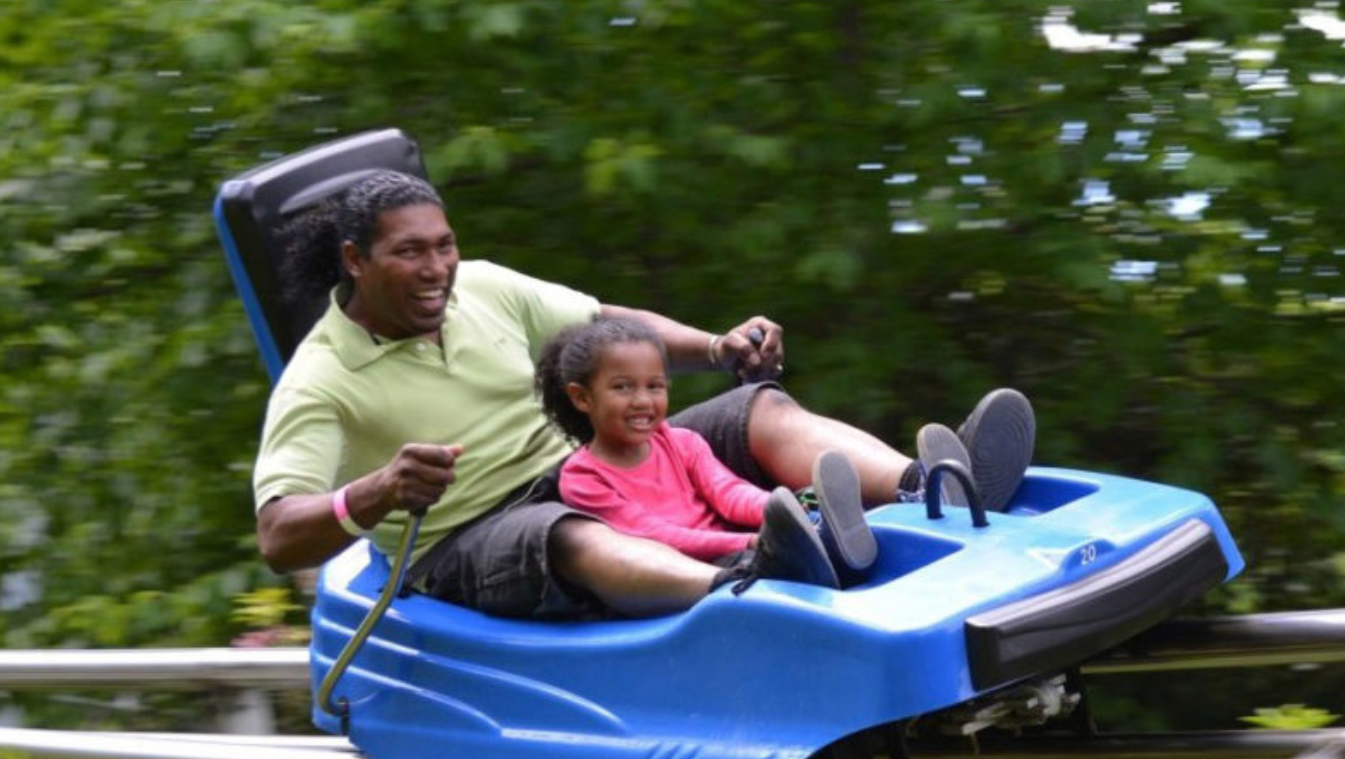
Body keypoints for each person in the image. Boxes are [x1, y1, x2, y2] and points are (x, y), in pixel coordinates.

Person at [251, 169, 1035, 618]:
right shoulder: (320, 379)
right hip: (473, 535)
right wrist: (379, 488)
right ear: (355, 260)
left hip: (590, 461)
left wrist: (717, 348)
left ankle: (928, 484)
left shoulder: (484, 288)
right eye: (409, 253)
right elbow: (280, 533)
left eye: (445, 245)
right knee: (564, 532)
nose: (437, 269)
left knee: (753, 410)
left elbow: (607, 324)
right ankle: (751, 578)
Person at [534, 315, 862, 591]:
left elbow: (729, 493)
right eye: (622, 387)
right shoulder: (582, 478)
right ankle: (808, 555)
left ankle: (826, 527)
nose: (643, 401)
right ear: (581, 398)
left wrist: (776, 507)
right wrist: (748, 542)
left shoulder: (682, 442)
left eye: (655, 386)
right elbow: (654, 536)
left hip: (740, 544)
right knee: (757, 562)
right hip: (689, 569)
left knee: (798, 504)